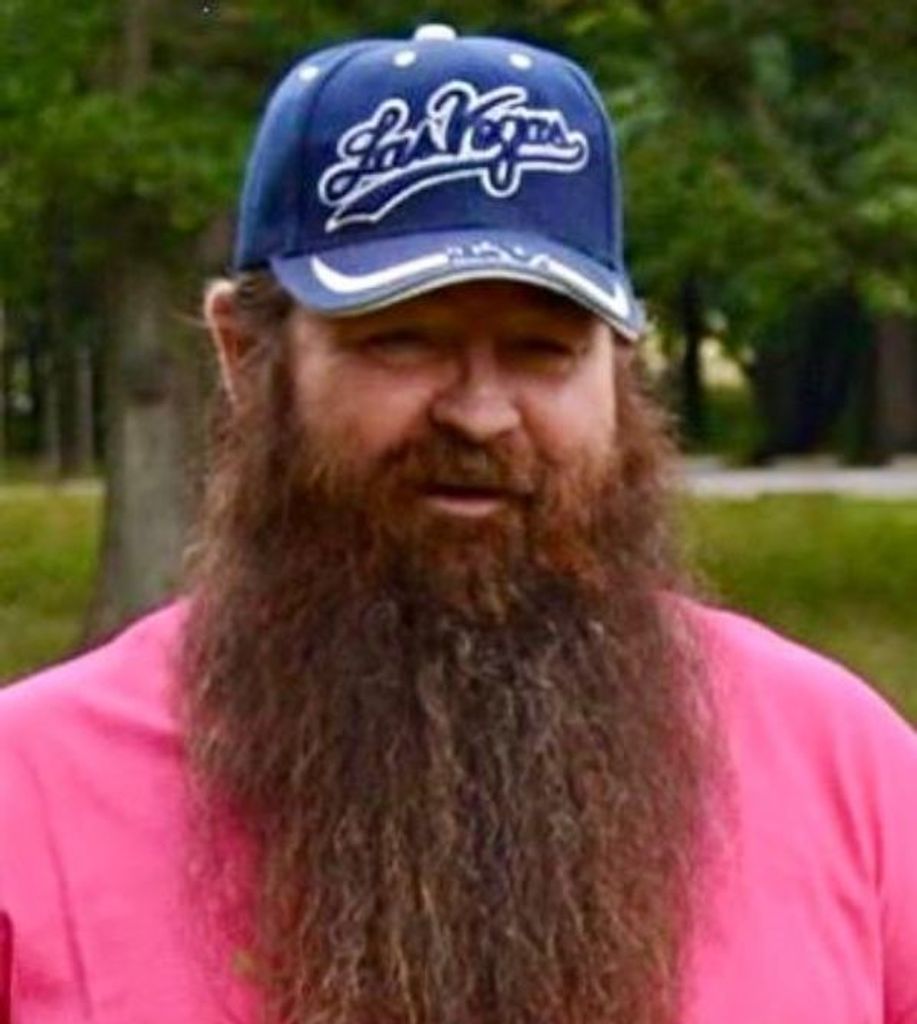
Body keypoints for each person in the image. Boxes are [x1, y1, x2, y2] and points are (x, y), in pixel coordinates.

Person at [1, 23, 915, 1024]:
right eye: (401, 341)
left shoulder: (848, 773)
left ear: (619, 369)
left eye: (540, 349)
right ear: (246, 356)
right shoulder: (27, 802)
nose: (479, 414)